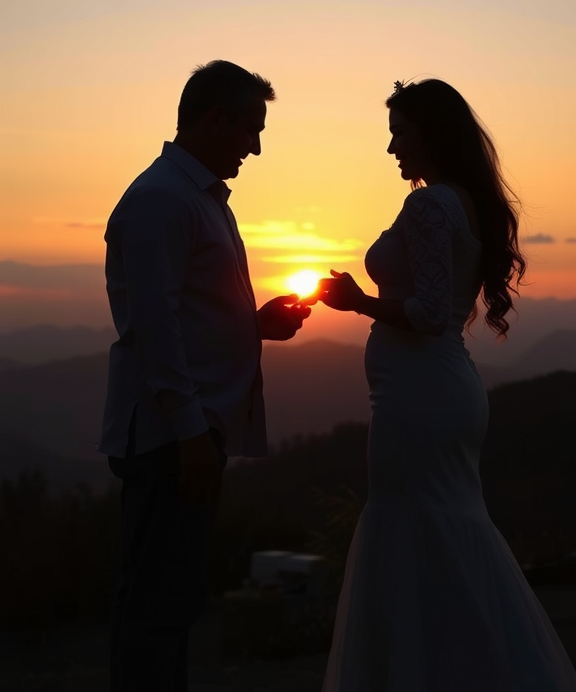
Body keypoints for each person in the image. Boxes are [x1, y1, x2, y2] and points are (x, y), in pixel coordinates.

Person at [316, 79, 576, 692]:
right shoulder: (462, 201)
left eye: (399, 134)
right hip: (438, 392)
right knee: (444, 531)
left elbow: (432, 313)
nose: (392, 150)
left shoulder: (432, 205)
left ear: (433, 133)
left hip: (420, 398)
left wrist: (359, 302)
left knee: (413, 529)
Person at [98, 60, 310, 692]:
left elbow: (186, 312)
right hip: (172, 437)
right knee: (157, 606)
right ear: (214, 119)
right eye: (251, 127)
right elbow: (154, 327)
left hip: (192, 431)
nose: (257, 145)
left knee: (171, 598)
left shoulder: (196, 196)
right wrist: (190, 431)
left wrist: (252, 324)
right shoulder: (162, 199)